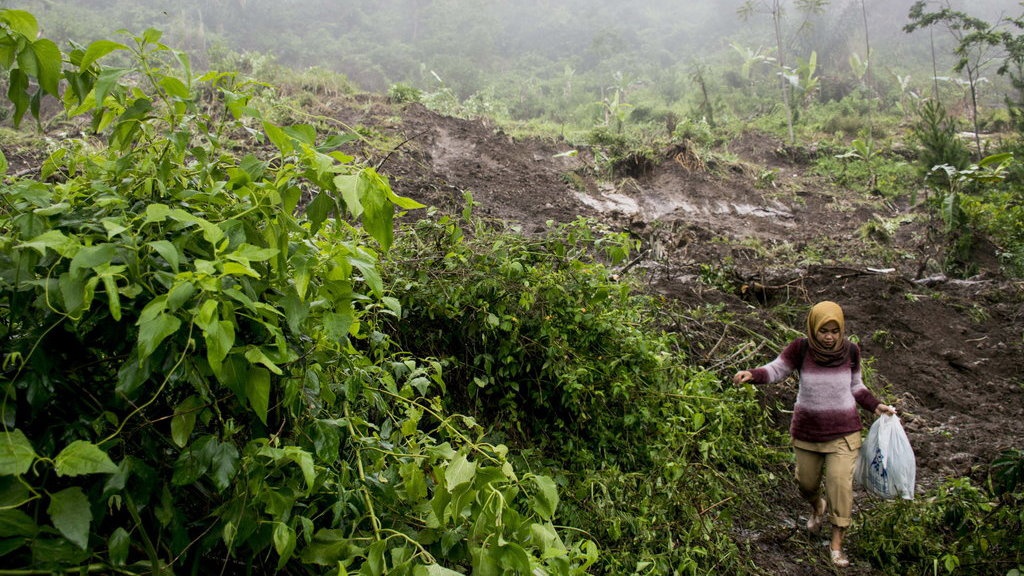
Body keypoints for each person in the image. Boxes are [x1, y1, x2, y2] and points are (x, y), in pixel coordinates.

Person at [733, 301, 895, 568]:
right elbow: (776, 370)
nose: (829, 337)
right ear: (813, 329)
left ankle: (836, 545)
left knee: (839, 486)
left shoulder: (851, 351)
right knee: (806, 483)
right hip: (808, 431)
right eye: (823, 331)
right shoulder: (801, 349)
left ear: (841, 329)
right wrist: (753, 374)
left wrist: (875, 405)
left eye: (834, 331)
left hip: (843, 433)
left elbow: (856, 386)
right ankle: (816, 506)